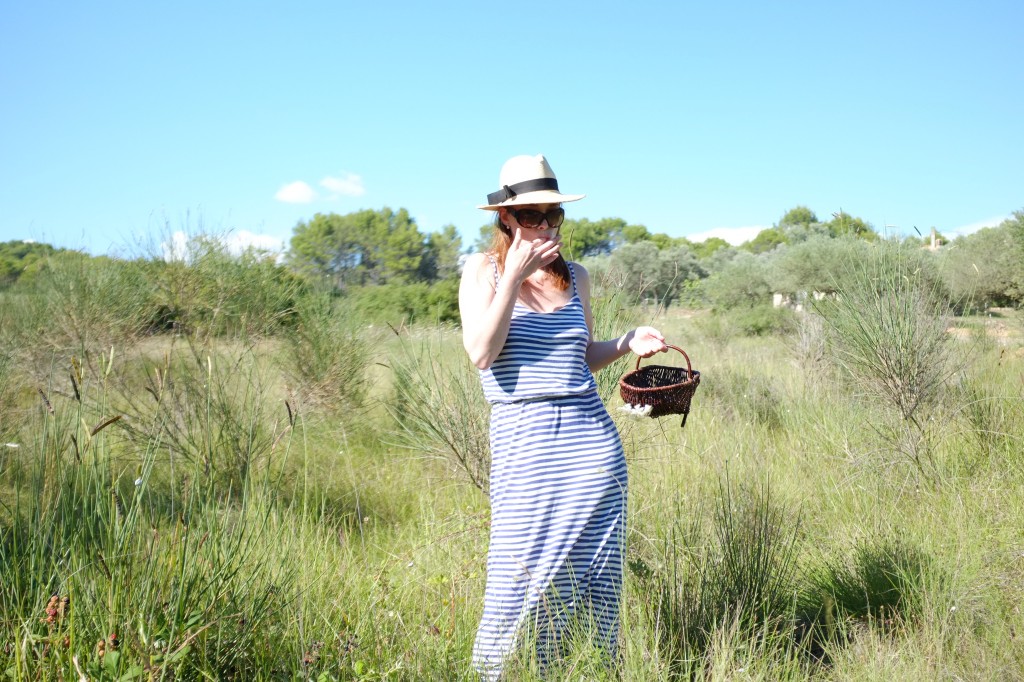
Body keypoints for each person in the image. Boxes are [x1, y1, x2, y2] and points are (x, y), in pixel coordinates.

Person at [459, 154, 667, 679]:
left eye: (554, 214)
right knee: (517, 580)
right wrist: (513, 279)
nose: (547, 225)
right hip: (525, 443)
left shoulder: (577, 276)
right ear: (506, 217)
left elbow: (581, 359)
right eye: (534, 215)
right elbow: (482, 353)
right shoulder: (481, 270)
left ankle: (592, 670)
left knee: (597, 580)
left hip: (592, 443)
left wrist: (626, 342)